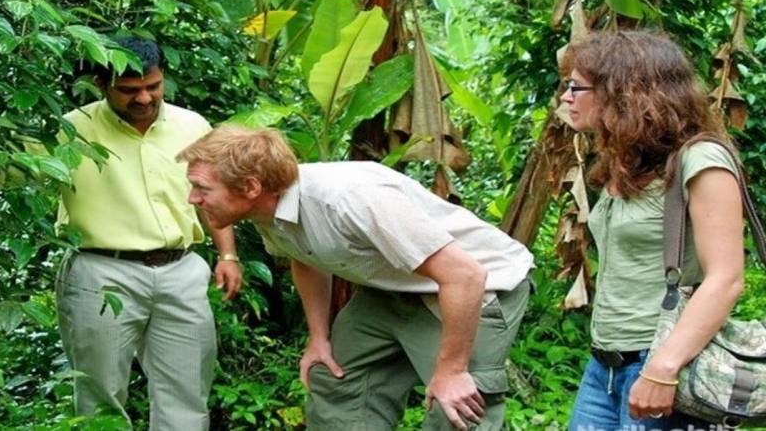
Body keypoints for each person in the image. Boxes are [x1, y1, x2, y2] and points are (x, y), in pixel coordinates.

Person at [175, 125, 535, 431]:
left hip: (477, 286)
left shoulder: (349, 200)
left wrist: (453, 371)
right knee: (335, 380)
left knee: (456, 410)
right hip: (393, 286)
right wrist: (319, 337)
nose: (193, 199)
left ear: (251, 187)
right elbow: (305, 258)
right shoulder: (268, 209)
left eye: (202, 189)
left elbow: (464, 275)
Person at [54, 36, 242, 431]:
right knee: (99, 393)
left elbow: (211, 196)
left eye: (152, 86)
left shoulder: (192, 125)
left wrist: (227, 255)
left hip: (182, 269)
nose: (143, 98)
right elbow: (5, 170)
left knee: (188, 392)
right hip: (102, 271)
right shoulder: (70, 129)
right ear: (102, 85)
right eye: (128, 90)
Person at [561, 30, 744, 431]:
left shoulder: (701, 160)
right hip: (605, 364)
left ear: (622, 92)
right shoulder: (625, 162)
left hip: (662, 360)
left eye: (576, 87)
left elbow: (726, 278)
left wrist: (663, 368)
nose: (565, 97)